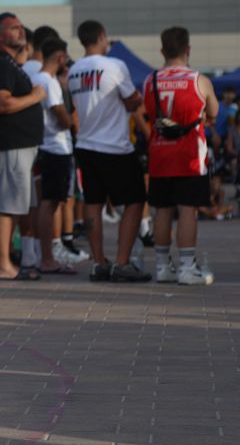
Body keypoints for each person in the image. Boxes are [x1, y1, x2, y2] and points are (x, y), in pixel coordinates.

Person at [68, 20, 151, 283]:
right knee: (135, 201)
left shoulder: (73, 71)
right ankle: (122, 262)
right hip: (115, 145)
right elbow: (132, 101)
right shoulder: (115, 65)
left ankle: (98, 262)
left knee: (93, 203)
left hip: (86, 145)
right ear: (102, 37)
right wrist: (136, 99)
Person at [143, 27, 219, 285]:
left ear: (163, 51)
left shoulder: (149, 80)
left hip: (160, 155)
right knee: (188, 211)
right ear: (188, 49)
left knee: (161, 211)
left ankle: (163, 267)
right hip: (189, 156)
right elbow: (213, 112)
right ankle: (187, 267)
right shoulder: (199, 80)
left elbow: (149, 114)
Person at [0, 13, 45, 281]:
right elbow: (1, 103)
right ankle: (4, 264)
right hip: (8, 146)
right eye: (13, 28)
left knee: (13, 205)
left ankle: (1, 261)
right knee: (7, 205)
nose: (21, 31)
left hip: (15, 147)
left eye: (21, 27)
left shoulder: (7, 63)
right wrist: (35, 96)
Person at [29, 38, 79, 274]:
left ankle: (43, 255)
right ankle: (47, 258)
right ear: (59, 58)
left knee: (46, 203)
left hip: (45, 147)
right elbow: (61, 115)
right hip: (55, 147)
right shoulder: (48, 82)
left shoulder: (38, 78)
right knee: (50, 204)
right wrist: (73, 120)